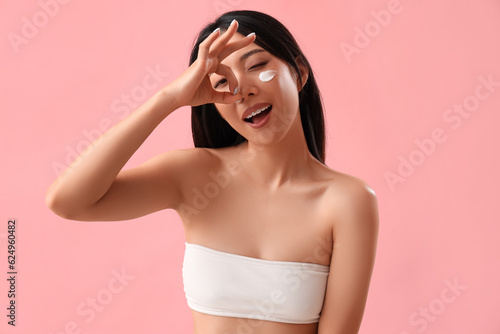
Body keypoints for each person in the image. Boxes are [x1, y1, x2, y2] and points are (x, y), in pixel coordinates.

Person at [46, 10, 379, 334]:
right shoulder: (195, 176)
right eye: (222, 82)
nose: (243, 90)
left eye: (257, 65)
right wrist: (169, 99)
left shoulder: (347, 202)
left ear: (299, 73)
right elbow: (69, 201)